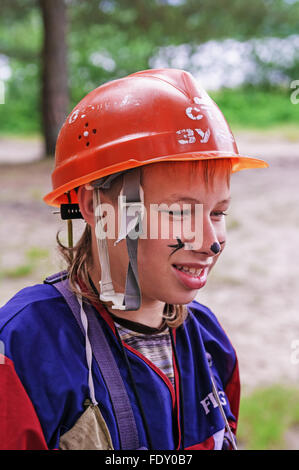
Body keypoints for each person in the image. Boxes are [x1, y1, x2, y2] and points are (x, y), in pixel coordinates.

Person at [0, 68, 268, 451]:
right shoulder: (25, 347)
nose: (210, 243)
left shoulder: (208, 341)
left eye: (217, 213)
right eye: (179, 213)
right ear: (96, 206)